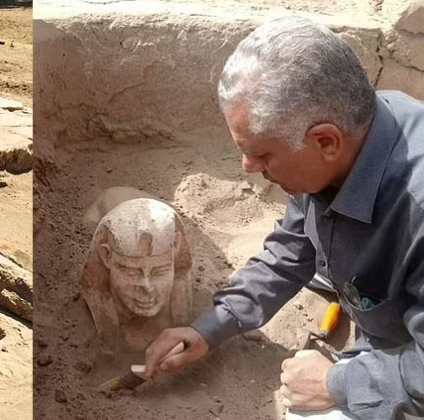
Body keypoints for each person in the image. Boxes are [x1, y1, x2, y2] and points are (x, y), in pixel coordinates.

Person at [143, 15, 424, 420]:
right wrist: (211, 327)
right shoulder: (348, 143)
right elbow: (290, 251)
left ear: (325, 140)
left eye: (261, 154)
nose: (246, 167)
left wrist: (337, 383)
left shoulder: (416, 209)